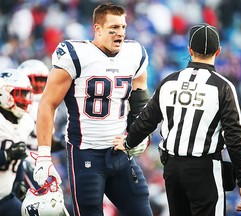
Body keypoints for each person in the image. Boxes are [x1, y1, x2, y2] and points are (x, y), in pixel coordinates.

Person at [113, 23, 241, 216]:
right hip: (205, 169)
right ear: (218, 52)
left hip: (173, 169)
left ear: (189, 50)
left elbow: (147, 119)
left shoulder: (170, 81)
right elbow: (235, 137)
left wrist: (128, 142)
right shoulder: (223, 87)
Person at [33, 2, 153, 216]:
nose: (120, 33)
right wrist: (44, 155)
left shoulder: (134, 53)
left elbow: (140, 100)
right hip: (85, 152)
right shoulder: (75, 54)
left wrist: (138, 135)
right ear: (97, 29)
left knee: (142, 210)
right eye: (113, 28)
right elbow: (48, 103)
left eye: (123, 27)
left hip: (120, 153)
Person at [0, 68, 34, 215]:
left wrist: (19, 181)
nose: (24, 99)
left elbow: (19, 156)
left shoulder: (25, 122)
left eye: (25, 94)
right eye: (19, 94)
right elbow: (12, 154)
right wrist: (6, 155)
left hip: (5, 198)